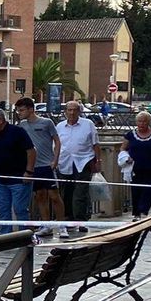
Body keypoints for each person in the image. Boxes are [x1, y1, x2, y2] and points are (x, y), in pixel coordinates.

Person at [12, 98, 62, 235]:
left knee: (54, 195)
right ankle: (46, 225)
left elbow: (57, 141)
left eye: (21, 110)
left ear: (31, 109)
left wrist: (55, 160)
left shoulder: (47, 122)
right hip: (33, 166)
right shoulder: (22, 125)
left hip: (47, 164)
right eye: (18, 110)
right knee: (39, 195)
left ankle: (62, 225)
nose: (19, 113)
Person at [0, 108, 36, 233]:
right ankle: (5, 237)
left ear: (1, 120)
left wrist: (29, 172)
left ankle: (24, 235)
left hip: (19, 179)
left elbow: (31, 151)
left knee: (19, 209)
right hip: (1, 180)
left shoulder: (17, 132)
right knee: (3, 210)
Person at [54, 100, 99, 235]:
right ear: (65, 112)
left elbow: (95, 144)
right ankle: (69, 218)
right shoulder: (60, 126)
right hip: (64, 162)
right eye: (69, 110)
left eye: (74, 110)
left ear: (79, 111)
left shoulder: (88, 124)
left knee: (80, 193)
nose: (72, 113)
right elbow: (56, 144)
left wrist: (98, 161)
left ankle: (81, 220)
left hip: (83, 162)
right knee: (66, 192)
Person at [120, 110, 151, 218]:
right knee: (136, 190)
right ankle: (136, 214)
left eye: (144, 122)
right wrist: (126, 157)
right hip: (135, 167)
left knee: (148, 190)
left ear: (149, 122)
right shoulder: (130, 135)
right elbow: (123, 148)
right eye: (139, 121)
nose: (142, 124)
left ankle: (144, 211)